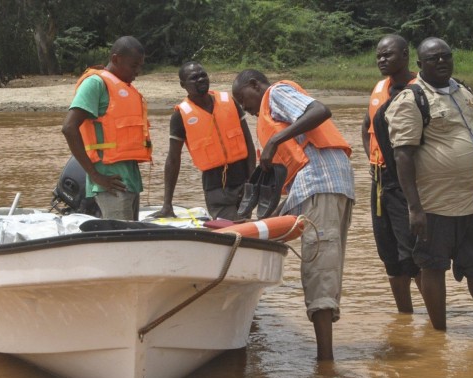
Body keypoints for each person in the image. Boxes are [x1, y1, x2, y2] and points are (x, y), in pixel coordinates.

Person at [232, 69, 354, 361]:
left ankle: (325, 362)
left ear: (254, 85)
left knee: (319, 269)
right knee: (323, 266)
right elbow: (293, 176)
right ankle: (324, 355)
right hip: (322, 186)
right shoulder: (269, 117)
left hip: (322, 183)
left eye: (242, 99)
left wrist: (275, 141)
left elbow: (320, 110)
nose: (244, 108)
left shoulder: (275, 93)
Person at [386, 37, 473, 331]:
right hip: (435, 204)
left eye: (445, 57)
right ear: (420, 65)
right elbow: (402, 156)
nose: (441, 62)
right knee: (433, 267)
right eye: (433, 58)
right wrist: (414, 208)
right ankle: (439, 336)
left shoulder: (463, 91)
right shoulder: (412, 99)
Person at [361, 34, 422, 314]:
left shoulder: (420, 88)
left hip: (408, 181)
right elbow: (367, 126)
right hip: (379, 180)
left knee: (413, 252)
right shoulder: (379, 87)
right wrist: (373, 160)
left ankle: (436, 320)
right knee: (388, 253)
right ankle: (405, 317)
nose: (382, 60)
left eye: (388, 55)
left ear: (406, 55)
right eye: (379, 56)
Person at [61, 36, 151, 221]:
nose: (138, 71)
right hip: (111, 184)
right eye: (133, 66)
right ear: (116, 59)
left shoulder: (124, 88)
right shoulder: (95, 84)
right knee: (120, 242)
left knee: (131, 239)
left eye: (140, 66)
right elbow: (69, 128)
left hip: (130, 181)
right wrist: (94, 175)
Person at [157, 62, 256, 220]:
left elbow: (249, 144)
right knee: (233, 228)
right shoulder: (180, 115)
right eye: (194, 78)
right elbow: (173, 159)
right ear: (183, 85)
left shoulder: (229, 102)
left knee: (245, 226)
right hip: (216, 188)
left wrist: (252, 181)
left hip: (243, 181)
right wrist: (167, 204)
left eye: (203, 75)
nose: (201, 79)